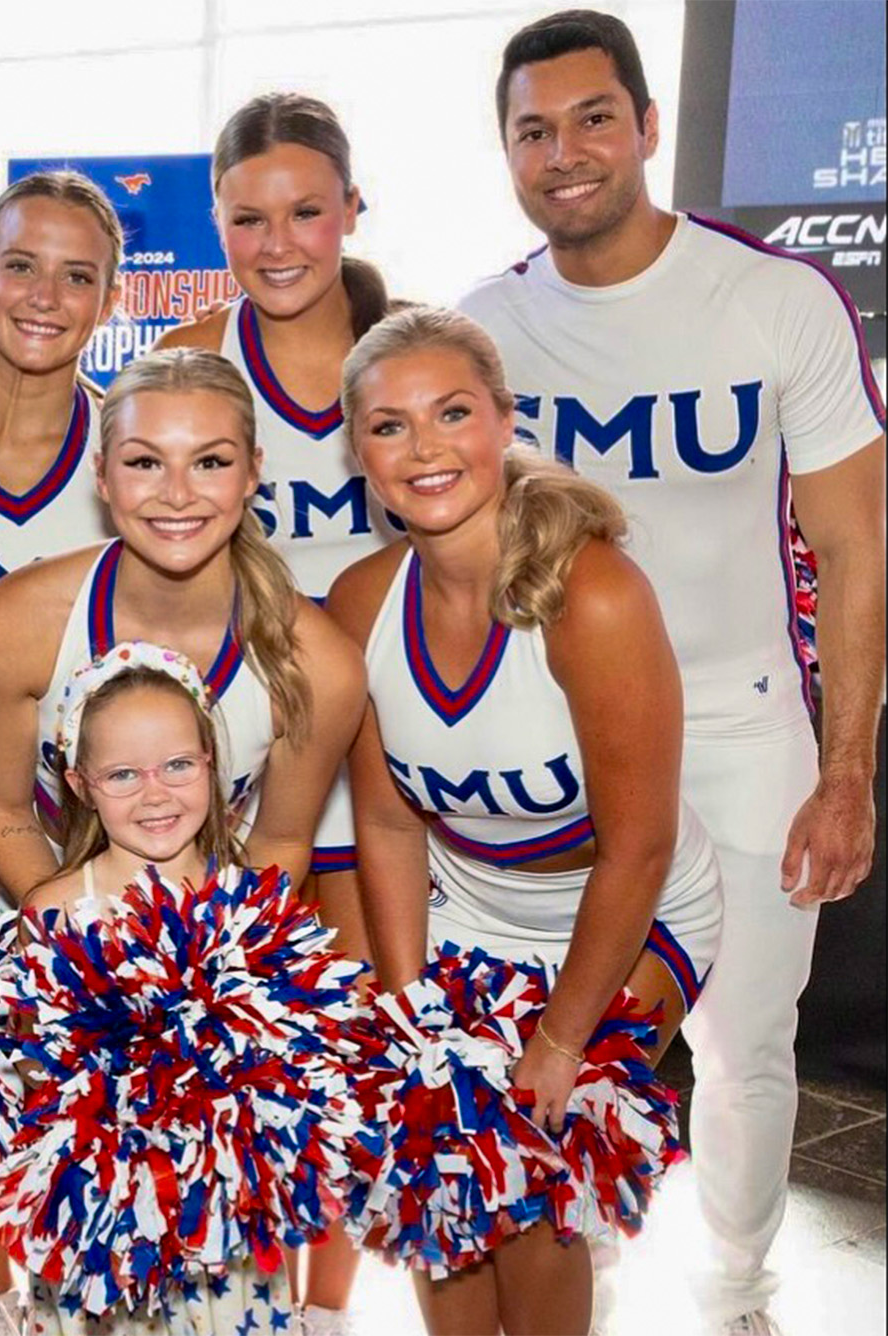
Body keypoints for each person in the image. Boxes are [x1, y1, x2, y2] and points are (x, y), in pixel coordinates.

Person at [459, 13, 886, 1333]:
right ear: (507, 154)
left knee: (742, 1051)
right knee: (577, 1045)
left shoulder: (769, 298)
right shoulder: (485, 327)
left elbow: (855, 546)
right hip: (565, 753)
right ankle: (580, 1282)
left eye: (592, 117)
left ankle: (739, 1293)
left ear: (646, 126)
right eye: (532, 130)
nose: (563, 152)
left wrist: (845, 774)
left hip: (745, 732)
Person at [327, 304, 724, 1334]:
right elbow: (387, 823)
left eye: (451, 412)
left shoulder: (590, 596)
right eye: (388, 426)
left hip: (632, 915)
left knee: (529, 1185)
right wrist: (412, 1019)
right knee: (437, 1169)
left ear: (505, 421)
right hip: (472, 912)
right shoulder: (362, 602)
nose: (424, 448)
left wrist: (555, 1040)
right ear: (357, 453)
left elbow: (638, 846)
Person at [156, 89, 397, 1334]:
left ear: (352, 209)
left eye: (306, 211)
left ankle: (330, 1309)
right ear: (217, 223)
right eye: (247, 217)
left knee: (354, 1038)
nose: (279, 240)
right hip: (238, 751)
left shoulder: (413, 351)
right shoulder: (190, 362)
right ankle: (243, 1292)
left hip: (397, 755)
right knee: (248, 1037)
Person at [0, 348, 363, 909]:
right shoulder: (16, 623)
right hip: (48, 932)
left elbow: (282, 838)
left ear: (252, 472)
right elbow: (2, 812)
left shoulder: (320, 665)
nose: (177, 494)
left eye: (210, 463)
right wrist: (68, 931)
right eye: (145, 463)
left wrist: (199, 951)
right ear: (101, 474)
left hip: (207, 936)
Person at [14, 644, 295, 1334]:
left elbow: (287, 1068)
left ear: (211, 765)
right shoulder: (53, 912)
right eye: (122, 774)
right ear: (80, 785)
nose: (156, 793)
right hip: (100, 1222)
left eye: (177, 765)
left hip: (224, 1213)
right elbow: (33, 1073)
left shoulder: (250, 901)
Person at [0, 171, 123, 577]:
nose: (45, 298)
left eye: (76, 277)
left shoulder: (134, 457)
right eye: (21, 267)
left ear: (108, 303)